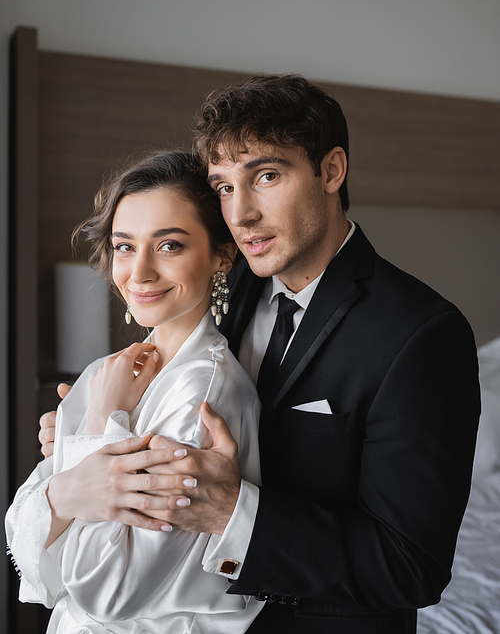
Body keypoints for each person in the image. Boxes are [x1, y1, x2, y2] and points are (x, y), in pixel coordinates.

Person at [38, 75, 480, 634]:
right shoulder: (223, 276)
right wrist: (89, 435)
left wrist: (234, 514)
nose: (240, 213)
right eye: (222, 187)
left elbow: (411, 566)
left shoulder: (421, 335)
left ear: (331, 170)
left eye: (266, 176)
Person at [6, 150, 264, 633]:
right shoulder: (112, 373)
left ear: (221, 255)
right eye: (125, 246)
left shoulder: (201, 395)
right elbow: (19, 526)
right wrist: (66, 488)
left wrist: (96, 425)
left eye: (169, 246)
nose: (139, 272)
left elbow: (104, 590)